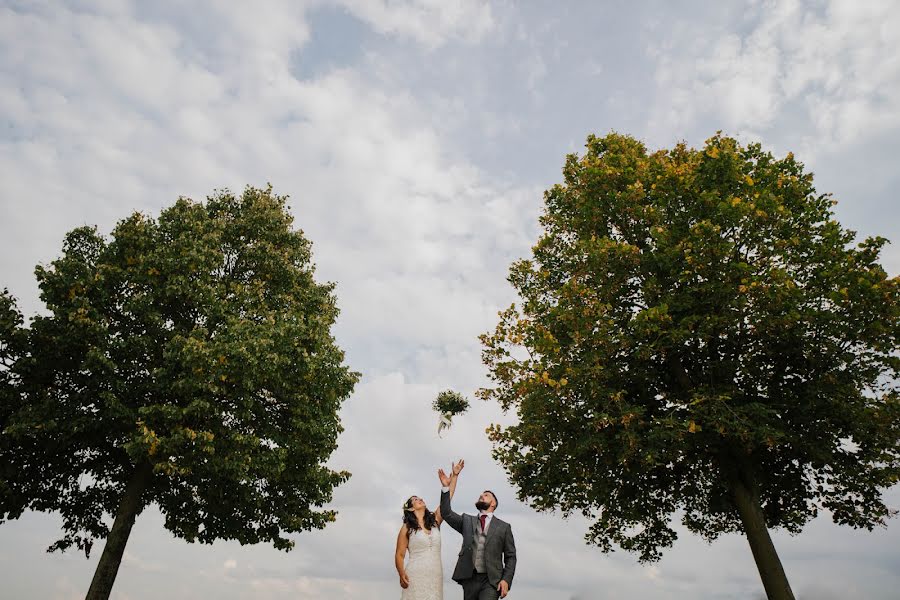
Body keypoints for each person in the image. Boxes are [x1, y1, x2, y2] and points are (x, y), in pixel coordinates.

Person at [439, 461, 517, 600]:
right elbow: (446, 513)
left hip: (492, 580)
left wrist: (506, 580)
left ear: (493, 503)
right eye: (481, 495)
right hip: (469, 578)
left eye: (486, 495)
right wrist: (446, 488)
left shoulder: (504, 527)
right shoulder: (467, 521)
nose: (482, 495)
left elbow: (511, 557)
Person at [395, 460, 465, 599]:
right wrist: (401, 573)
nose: (420, 499)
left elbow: (447, 500)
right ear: (410, 508)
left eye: (419, 497)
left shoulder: (435, 521)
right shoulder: (406, 528)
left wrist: (454, 477)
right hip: (415, 574)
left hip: (435, 574)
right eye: (415, 499)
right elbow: (399, 554)